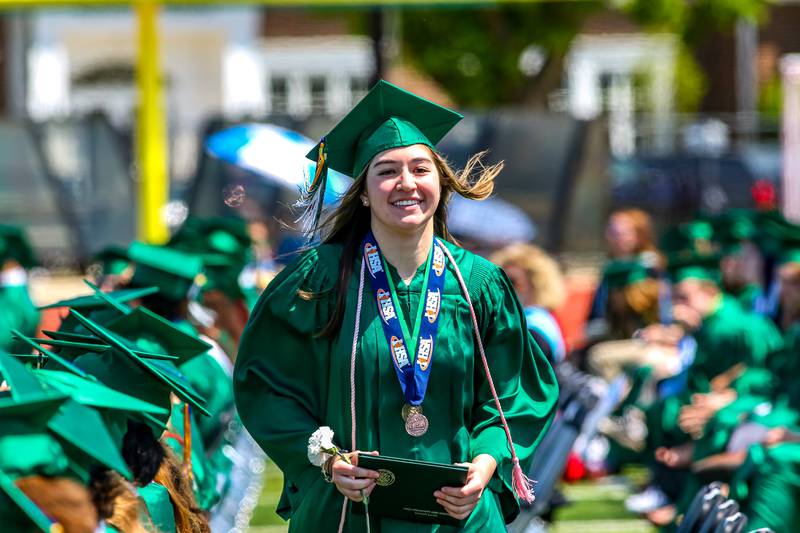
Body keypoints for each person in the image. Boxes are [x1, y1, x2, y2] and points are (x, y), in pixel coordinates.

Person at [234, 80, 559, 532]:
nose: (406, 183)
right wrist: (326, 460)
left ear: (441, 184)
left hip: (458, 513)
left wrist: (485, 465)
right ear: (364, 191)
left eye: (421, 169)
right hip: (347, 510)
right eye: (386, 170)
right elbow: (266, 385)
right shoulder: (319, 281)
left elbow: (511, 395)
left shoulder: (478, 285)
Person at [490, 243, 567, 363]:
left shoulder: (534, 328)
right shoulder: (530, 320)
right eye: (500, 281)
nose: (504, 288)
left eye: (512, 281)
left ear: (536, 284)